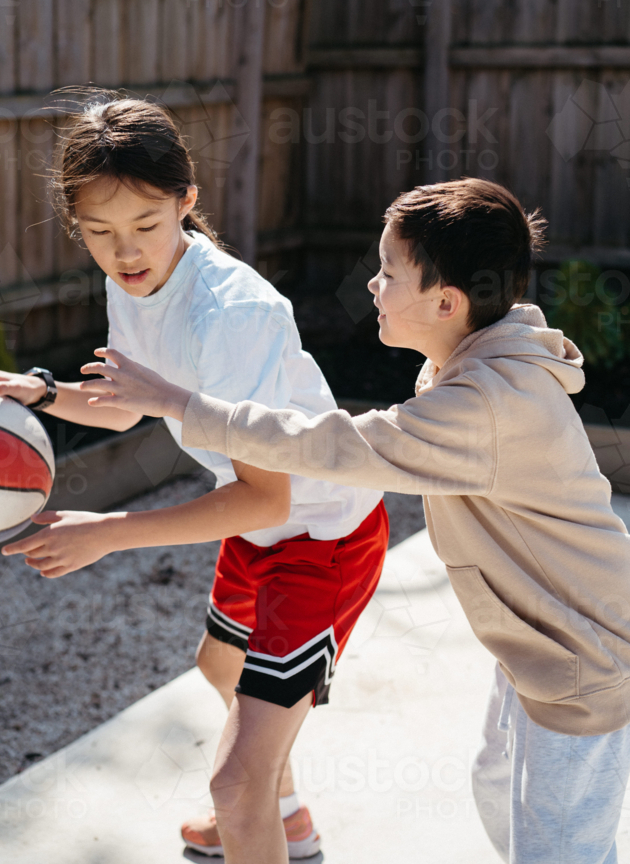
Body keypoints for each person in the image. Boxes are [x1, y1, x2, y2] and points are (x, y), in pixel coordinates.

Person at [70, 177, 630, 864]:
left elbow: (335, 446)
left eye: (388, 273)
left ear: (447, 302)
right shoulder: (478, 352)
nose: (372, 286)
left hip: (584, 655)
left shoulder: (483, 404)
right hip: (542, 641)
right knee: (496, 786)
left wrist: (186, 404)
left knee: (560, 847)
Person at [0, 95, 387, 864]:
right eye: (99, 233)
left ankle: (266, 813)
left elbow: (269, 493)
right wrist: (45, 392)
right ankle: (285, 815)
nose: (124, 252)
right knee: (217, 665)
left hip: (322, 535)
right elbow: (128, 409)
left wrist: (108, 533)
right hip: (259, 524)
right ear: (76, 224)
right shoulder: (134, 279)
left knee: (233, 786)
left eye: (144, 227)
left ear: (187, 199)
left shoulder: (230, 315)